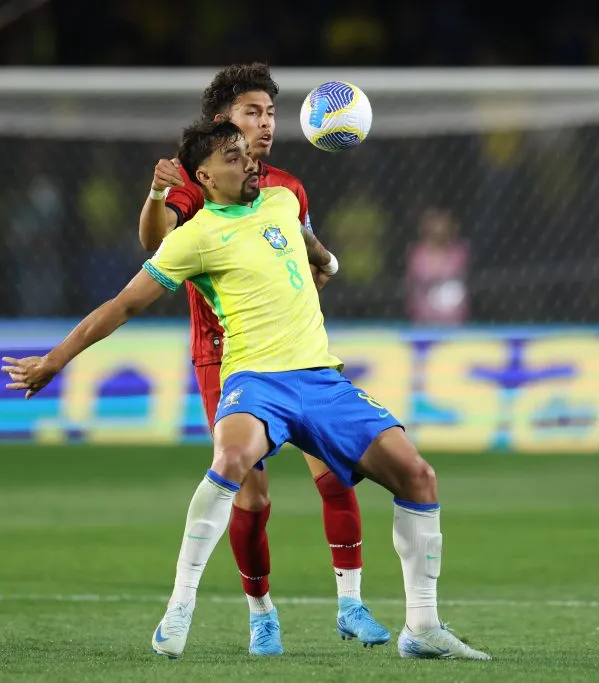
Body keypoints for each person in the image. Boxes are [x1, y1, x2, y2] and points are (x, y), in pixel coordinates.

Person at [2, 120, 491, 662]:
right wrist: (53, 361)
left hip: (321, 378)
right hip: (256, 381)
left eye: (247, 153)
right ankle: (181, 604)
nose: (249, 161)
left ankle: (421, 628)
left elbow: (311, 247)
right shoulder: (194, 236)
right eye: (233, 157)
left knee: (419, 477)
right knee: (233, 458)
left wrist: (325, 262)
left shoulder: (282, 200)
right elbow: (123, 305)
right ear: (205, 176)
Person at [137, 62, 387, 654]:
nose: (266, 124)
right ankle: (261, 612)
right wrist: (155, 193)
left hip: (297, 355)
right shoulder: (196, 183)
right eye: (253, 112)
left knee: (335, 474)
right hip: (225, 359)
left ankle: (351, 603)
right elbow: (155, 241)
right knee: (252, 497)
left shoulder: (288, 187)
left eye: (271, 113)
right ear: (224, 120)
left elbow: (303, 253)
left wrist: (322, 266)